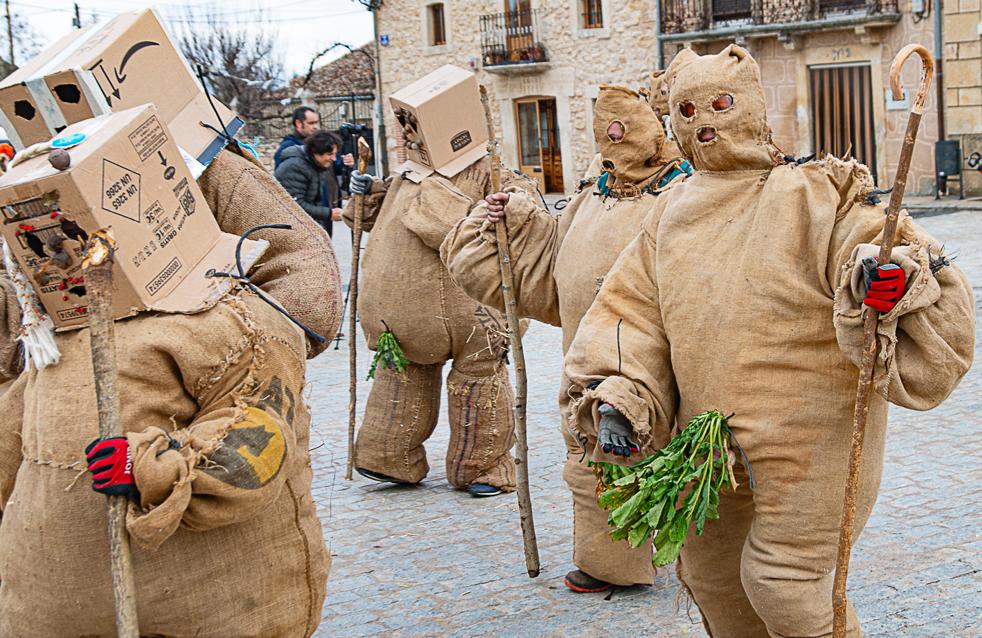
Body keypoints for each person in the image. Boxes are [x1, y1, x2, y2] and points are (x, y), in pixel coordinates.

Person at [562, 45, 975, 636]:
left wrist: (882, 279)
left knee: (785, 583)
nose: (704, 121)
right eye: (686, 109)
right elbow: (632, 312)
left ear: (750, 105)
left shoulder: (816, 193)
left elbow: (879, 247)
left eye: (720, 104)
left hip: (807, 439)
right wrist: (622, 396)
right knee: (712, 576)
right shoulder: (670, 212)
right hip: (703, 442)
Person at [441, 84, 689, 592]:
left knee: (666, 449)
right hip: (585, 352)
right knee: (591, 455)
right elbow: (554, 249)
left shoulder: (682, 192)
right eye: (605, 133)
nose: (614, 140)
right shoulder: (592, 193)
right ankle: (610, 562)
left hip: (657, 354)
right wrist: (511, 218)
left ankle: (694, 555)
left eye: (624, 129)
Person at [343, 67, 537, 498]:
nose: (410, 138)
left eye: (416, 128)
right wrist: (366, 194)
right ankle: (387, 455)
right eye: (405, 128)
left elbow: (527, 205)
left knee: (479, 384)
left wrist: (501, 207)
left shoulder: (488, 169)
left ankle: (483, 465)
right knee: (401, 378)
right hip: (403, 320)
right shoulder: (408, 174)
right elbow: (375, 218)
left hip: (473, 314)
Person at [275, 131, 345, 237]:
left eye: (335, 154)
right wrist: (329, 213)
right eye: (330, 154)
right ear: (315, 152)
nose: (334, 159)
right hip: (291, 229)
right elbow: (294, 206)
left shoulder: (317, 165)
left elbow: (314, 200)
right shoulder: (294, 167)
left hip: (305, 225)